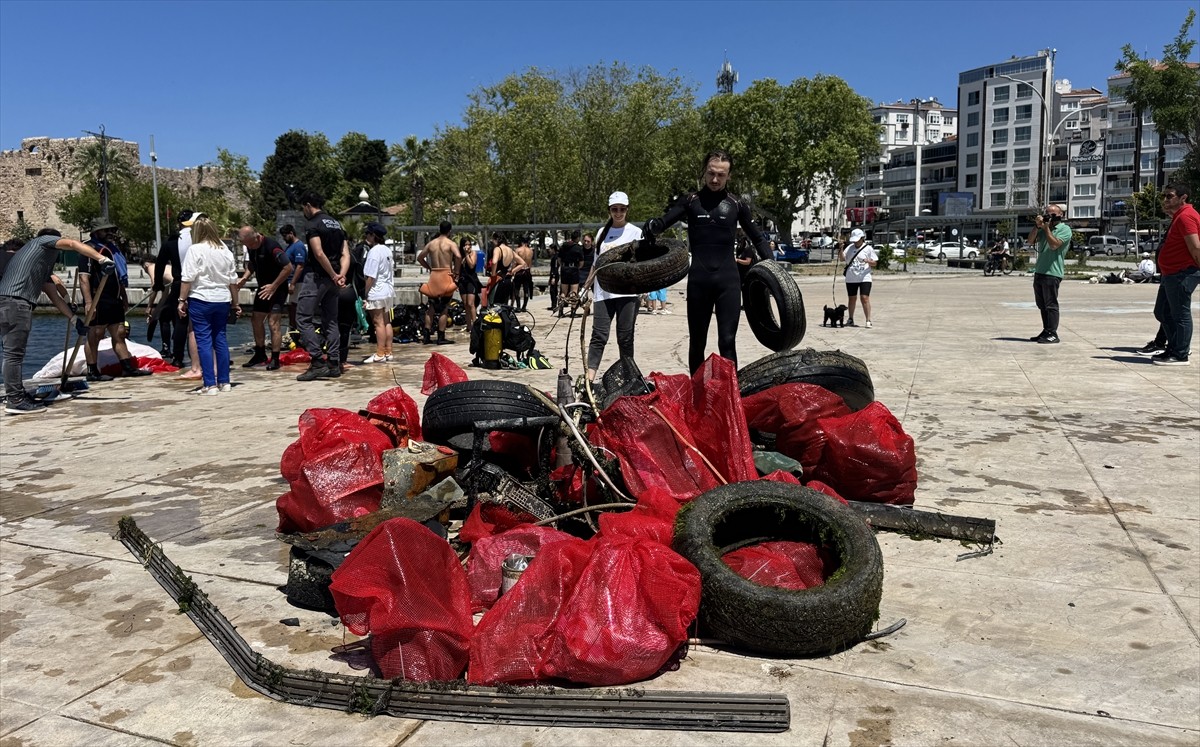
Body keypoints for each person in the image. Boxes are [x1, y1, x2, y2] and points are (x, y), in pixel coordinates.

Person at [643, 149, 771, 372]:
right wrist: (653, 225)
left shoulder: (737, 204)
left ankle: (730, 397)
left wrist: (774, 268)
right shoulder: (691, 201)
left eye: (721, 175)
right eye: (711, 173)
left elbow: (758, 238)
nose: (715, 179)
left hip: (728, 282)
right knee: (697, 343)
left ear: (728, 176)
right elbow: (663, 222)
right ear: (704, 172)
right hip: (699, 282)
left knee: (727, 342)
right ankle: (697, 398)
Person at [0, 230, 110, 415]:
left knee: (12, 353)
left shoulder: (37, 263)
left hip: (10, 302)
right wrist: (102, 259)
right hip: (15, 303)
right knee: (14, 354)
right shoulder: (43, 241)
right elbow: (74, 244)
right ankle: (15, 399)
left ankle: (17, 395)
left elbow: (54, 295)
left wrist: (74, 320)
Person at [79, 219, 150, 379]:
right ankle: (93, 371)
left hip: (114, 298)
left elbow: (117, 275)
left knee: (119, 332)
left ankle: (127, 368)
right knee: (95, 333)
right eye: (106, 231)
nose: (110, 233)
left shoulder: (113, 250)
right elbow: (84, 278)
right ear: (96, 232)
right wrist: (89, 302)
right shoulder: (88, 249)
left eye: (111, 230)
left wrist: (123, 296)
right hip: (98, 298)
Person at [178, 217, 240, 394]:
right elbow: (232, 281)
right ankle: (224, 381)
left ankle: (210, 384)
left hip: (201, 298)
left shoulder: (195, 250)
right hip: (222, 299)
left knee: (204, 341)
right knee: (220, 339)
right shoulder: (225, 250)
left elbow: (187, 278)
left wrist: (181, 301)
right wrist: (236, 303)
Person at [586, 191, 643, 381]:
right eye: (614, 209)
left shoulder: (635, 232)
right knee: (599, 336)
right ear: (609, 210)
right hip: (603, 293)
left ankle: (629, 378)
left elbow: (641, 263)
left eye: (622, 209)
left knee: (625, 337)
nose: (618, 213)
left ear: (627, 210)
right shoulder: (602, 233)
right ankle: (589, 378)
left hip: (627, 292)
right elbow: (596, 264)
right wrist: (585, 287)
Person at [295, 192, 349, 382]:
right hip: (333, 280)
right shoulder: (336, 224)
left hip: (317, 277)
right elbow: (345, 253)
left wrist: (333, 274)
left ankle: (317, 361)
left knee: (302, 318)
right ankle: (334, 362)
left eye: (303, 207)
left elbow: (317, 252)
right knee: (331, 320)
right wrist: (341, 274)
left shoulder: (313, 224)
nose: (303, 211)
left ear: (308, 205)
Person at [1149, 183, 1200, 366]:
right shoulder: (1179, 216)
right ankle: (1174, 347)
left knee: (1180, 314)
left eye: (1169, 196)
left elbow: (1196, 247)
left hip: (1182, 273)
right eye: (1165, 196)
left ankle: (1180, 353)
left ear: (1183, 198)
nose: (1165, 200)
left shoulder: (1187, 216)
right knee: (1162, 311)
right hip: (1171, 274)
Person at [236, 226, 291, 369]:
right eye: (246, 245)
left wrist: (274, 286)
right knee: (256, 319)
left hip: (277, 288)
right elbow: (252, 264)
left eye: (250, 244)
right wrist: (245, 278)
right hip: (263, 288)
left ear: (257, 237)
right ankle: (260, 353)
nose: (248, 247)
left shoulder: (272, 247)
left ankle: (275, 358)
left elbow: (288, 268)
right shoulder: (251, 246)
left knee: (274, 323)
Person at [1027, 203, 1072, 344]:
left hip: (1053, 272)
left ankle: (1053, 333)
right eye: (1048, 213)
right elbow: (1030, 241)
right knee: (1042, 304)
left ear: (1061, 215)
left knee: (1051, 304)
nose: (1050, 216)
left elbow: (1054, 245)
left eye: (1053, 214)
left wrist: (1046, 229)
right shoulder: (1045, 228)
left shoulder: (1064, 229)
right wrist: (1037, 225)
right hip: (1040, 270)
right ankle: (1046, 330)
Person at [417, 221, 462, 345]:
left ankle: (426, 336)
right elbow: (458, 256)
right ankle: (440, 336)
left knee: (431, 307)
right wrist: (456, 272)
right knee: (444, 308)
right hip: (446, 275)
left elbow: (420, 257)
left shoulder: (431, 244)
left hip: (434, 276)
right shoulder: (450, 243)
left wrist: (429, 267)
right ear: (450, 231)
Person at [361, 222, 395, 363]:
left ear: (373, 236)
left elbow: (371, 276)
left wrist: (365, 294)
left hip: (377, 291)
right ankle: (388, 351)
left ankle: (380, 353)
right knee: (386, 322)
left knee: (378, 323)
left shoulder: (373, 252)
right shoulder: (387, 250)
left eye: (368, 234)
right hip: (387, 290)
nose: (366, 237)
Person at [842, 228, 879, 328]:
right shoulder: (849, 248)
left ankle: (868, 320)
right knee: (852, 298)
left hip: (864, 277)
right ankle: (850, 319)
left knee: (864, 298)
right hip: (851, 277)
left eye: (857, 239)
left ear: (862, 238)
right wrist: (840, 248)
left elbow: (875, 262)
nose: (855, 241)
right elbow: (842, 258)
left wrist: (868, 261)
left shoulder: (868, 248)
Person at [279, 224, 306, 334]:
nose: (284, 238)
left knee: (294, 306)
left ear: (291, 233)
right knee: (291, 306)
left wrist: (293, 283)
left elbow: (300, 266)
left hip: (297, 281)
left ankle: (296, 330)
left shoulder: (298, 246)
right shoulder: (289, 247)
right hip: (288, 280)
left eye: (285, 236)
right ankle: (292, 329)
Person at [488, 232, 526, 307]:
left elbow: (494, 262)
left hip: (499, 279)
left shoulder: (497, 249)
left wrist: (493, 274)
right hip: (508, 280)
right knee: (504, 305)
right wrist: (512, 272)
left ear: (496, 240)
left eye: (493, 240)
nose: (492, 242)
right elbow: (522, 263)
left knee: (495, 304)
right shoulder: (510, 250)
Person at [456, 237, 482, 330]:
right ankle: (469, 326)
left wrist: (467, 254)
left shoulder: (472, 253)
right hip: (463, 281)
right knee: (466, 304)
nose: (467, 246)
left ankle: (475, 325)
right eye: (465, 244)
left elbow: (471, 265)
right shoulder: (459, 255)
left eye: (469, 244)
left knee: (471, 304)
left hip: (471, 280)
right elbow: (457, 269)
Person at [558, 230, 584, 316]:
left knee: (563, 292)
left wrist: (563, 266)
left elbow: (559, 259)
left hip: (564, 269)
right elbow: (581, 262)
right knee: (574, 291)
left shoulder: (563, 246)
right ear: (577, 238)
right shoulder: (578, 248)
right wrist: (576, 267)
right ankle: (573, 311)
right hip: (573, 269)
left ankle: (560, 311)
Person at [513, 236, 535, 312]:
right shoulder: (531, 251)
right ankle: (524, 306)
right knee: (526, 289)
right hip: (527, 270)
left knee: (516, 289)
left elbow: (515, 262)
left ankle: (518, 306)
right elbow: (531, 263)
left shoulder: (518, 250)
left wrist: (513, 270)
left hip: (519, 270)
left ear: (521, 242)